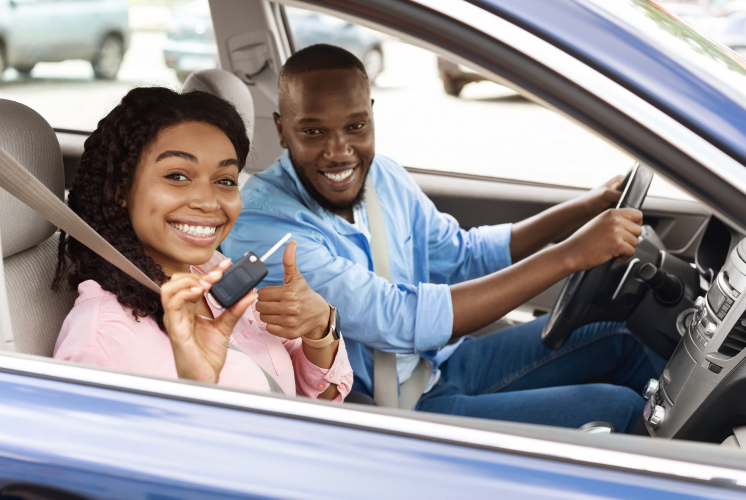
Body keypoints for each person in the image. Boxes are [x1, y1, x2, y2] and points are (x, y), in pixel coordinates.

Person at [223, 44, 665, 432]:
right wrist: (570, 255)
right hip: (397, 412)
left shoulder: (383, 177)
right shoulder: (264, 228)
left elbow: (463, 255)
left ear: (372, 114)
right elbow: (398, 317)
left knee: (623, 336)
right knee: (623, 409)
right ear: (282, 129)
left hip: (438, 362)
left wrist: (586, 207)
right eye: (313, 131)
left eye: (355, 127)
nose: (339, 151)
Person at [52, 87, 352, 401]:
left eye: (225, 180)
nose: (209, 202)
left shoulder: (214, 272)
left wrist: (320, 328)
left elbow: (316, 405)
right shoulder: (104, 341)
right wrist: (198, 390)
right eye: (178, 176)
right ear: (120, 189)